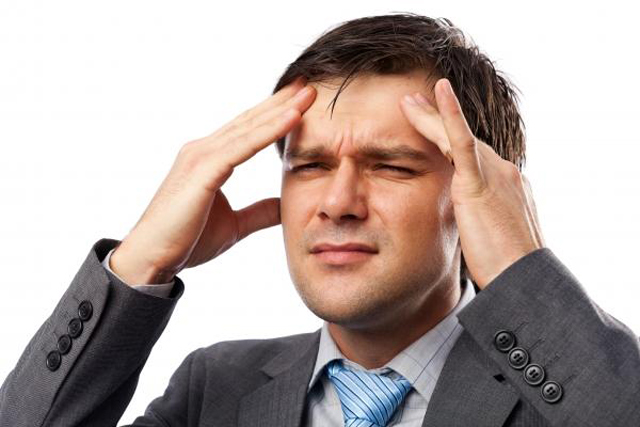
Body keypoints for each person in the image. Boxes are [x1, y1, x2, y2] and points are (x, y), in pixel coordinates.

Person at [1, 12, 638, 427]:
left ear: (484, 192)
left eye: (392, 166)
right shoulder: (212, 390)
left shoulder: (560, 388)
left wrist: (521, 272)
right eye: (308, 166)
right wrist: (140, 263)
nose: (337, 202)